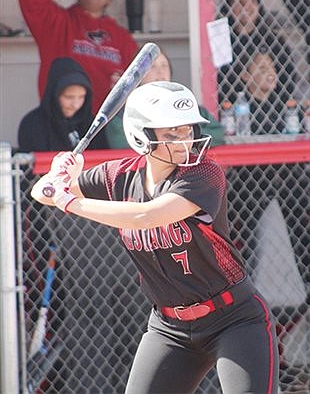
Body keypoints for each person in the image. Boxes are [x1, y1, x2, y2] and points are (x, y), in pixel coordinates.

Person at [31, 81, 279, 394]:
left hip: (234, 318)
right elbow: (41, 192)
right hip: (170, 327)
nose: (183, 143)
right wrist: (59, 175)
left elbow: (146, 215)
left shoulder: (203, 173)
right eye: (170, 134)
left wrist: (69, 201)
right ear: (140, 136)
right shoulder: (118, 176)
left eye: (187, 131)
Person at [18, 0, 138, 115]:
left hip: (105, 123)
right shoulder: (57, 22)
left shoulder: (122, 37)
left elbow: (139, 77)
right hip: (62, 120)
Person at [104, 50, 225, 148]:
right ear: (137, 75)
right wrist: (184, 137)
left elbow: (218, 135)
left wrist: (179, 137)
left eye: (164, 65)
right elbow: (120, 143)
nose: (160, 71)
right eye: (152, 66)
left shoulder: (187, 106)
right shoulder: (123, 111)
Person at [218, 0, 297, 106]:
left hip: (271, 106)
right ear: (229, 7)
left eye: (252, 0)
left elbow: (288, 77)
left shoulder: (273, 40)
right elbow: (220, 80)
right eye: (239, 2)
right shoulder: (222, 40)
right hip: (233, 107)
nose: (246, 6)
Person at [18, 56, 107, 152]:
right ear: (54, 95)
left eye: (81, 97)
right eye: (69, 97)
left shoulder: (93, 125)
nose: (75, 105)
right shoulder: (33, 125)